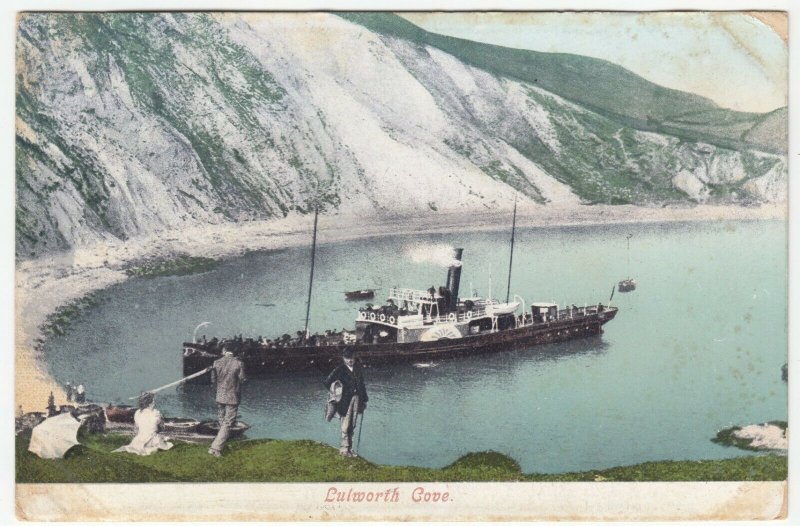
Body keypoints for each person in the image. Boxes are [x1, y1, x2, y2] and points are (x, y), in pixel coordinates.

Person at [324, 347, 368, 457]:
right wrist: (336, 392)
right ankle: (344, 449)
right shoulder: (340, 369)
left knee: (352, 424)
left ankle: (350, 448)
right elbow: (327, 382)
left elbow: (361, 384)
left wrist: (365, 399)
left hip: (356, 399)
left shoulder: (357, 368)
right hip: (344, 401)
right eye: (347, 358)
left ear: (355, 358)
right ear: (343, 358)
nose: (350, 360)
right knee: (345, 425)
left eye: (352, 358)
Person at [208, 343, 247, 457]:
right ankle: (215, 448)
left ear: (225, 350)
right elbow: (243, 379)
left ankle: (220, 442)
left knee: (221, 420)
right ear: (235, 352)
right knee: (228, 423)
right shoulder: (239, 363)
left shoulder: (216, 362)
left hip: (219, 395)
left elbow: (213, 380)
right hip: (232, 396)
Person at [113, 391, 173, 456]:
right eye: (153, 401)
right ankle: (151, 446)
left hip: (139, 439)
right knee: (164, 443)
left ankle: (145, 445)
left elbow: (137, 428)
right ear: (150, 404)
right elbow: (161, 428)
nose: (154, 402)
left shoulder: (138, 413)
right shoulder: (156, 413)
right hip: (153, 439)